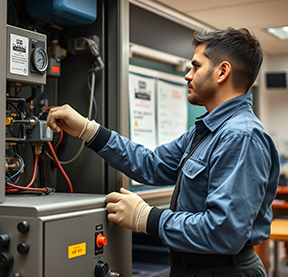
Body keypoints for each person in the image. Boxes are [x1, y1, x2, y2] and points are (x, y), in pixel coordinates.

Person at [47, 27, 279, 277]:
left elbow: (224, 232)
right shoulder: (207, 130)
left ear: (222, 72)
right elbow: (152, 164)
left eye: (196, 67)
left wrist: (148, 217)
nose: (188, 76)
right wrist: (88, 130)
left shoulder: (240, 136)